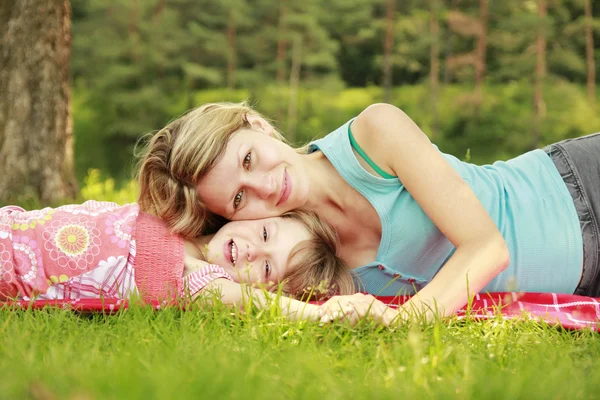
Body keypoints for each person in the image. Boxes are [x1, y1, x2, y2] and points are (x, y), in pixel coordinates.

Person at [137, 101, 600, 322]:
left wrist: (403, 321)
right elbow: (152, 252)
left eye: (248, 159)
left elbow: (487, 248)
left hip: (578, 188)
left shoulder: (374, 135)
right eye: (239, 198)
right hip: (582, 280)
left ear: (257, 125)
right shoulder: (289, 257)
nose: (263, 186)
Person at [0, 200, 397, 324]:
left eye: (266, 269)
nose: (253, 252)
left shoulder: (196, 277)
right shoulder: (184, 214)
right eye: (264, 235)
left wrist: (320, 313)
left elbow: (248, 302)